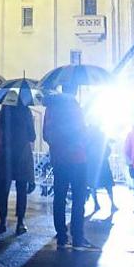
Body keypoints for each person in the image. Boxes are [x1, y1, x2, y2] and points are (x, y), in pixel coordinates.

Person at [43, 89, 94, 250]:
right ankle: (78, 237)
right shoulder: (74, 107)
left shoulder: (51, 108)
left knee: (59, 197)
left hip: (59, 159)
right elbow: (82, 132)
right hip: (78, 158)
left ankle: (61, 236)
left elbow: (46, 135)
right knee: (78, 198)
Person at [0, 98, 36, 234]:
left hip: (6, 154)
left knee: (3, 190)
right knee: (21, 190)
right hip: (21, 153)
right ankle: (20, 222)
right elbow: (32, 136)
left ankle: (2, 221)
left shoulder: (5, 110)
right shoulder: (26, 111)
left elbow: (0, 129)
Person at [87, 133, 116, 215]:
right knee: (108, 185)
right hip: (103, 165)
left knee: (93, 185)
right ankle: (112, 204)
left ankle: (96, 204)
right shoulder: (102, 140)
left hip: (93, 165)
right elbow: (108, 151)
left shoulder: (90, 139)